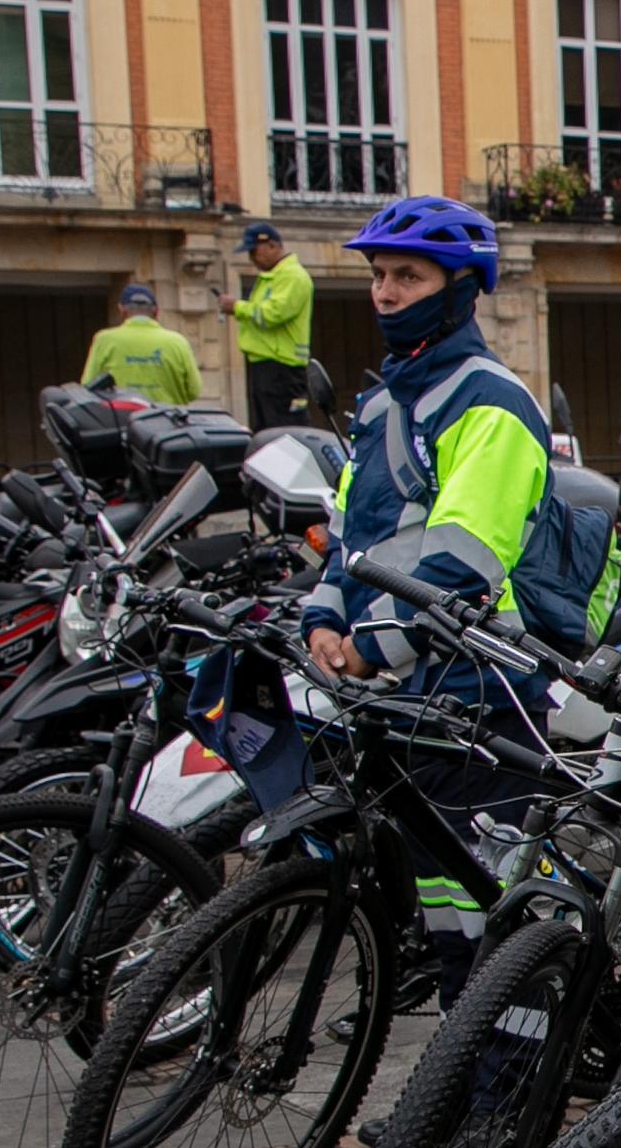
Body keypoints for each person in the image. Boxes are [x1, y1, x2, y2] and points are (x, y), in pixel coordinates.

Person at [301, 199, 556, 992]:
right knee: (447, 922)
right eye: (378, 276)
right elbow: (353, 536)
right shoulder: (382, 404)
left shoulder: (490, 401)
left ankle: (508, 1104)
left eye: (407, 276)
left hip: (480, 693)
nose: (384, 292)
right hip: (407, 697)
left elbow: (464, 564)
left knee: (498, 924)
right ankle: (454, 1098)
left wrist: (366, 648)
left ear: (460, 287)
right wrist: (321, 616)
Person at [234, 224, 319, 429]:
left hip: (283, 368)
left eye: (254, 251)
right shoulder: (271, 278)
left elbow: (272, 314)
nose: (252, 258)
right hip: (267, 366)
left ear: (272, 245)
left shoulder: (292, 276)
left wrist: (236, 306)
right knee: (266, 432)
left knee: (285, 431)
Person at [80, 281, 201, 407]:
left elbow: (88, 386)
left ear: (121, 309)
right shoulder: (177, 342)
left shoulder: (104, 340)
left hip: (122, 422)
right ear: (156, 311)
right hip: (169, 422)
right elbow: (194, 391)